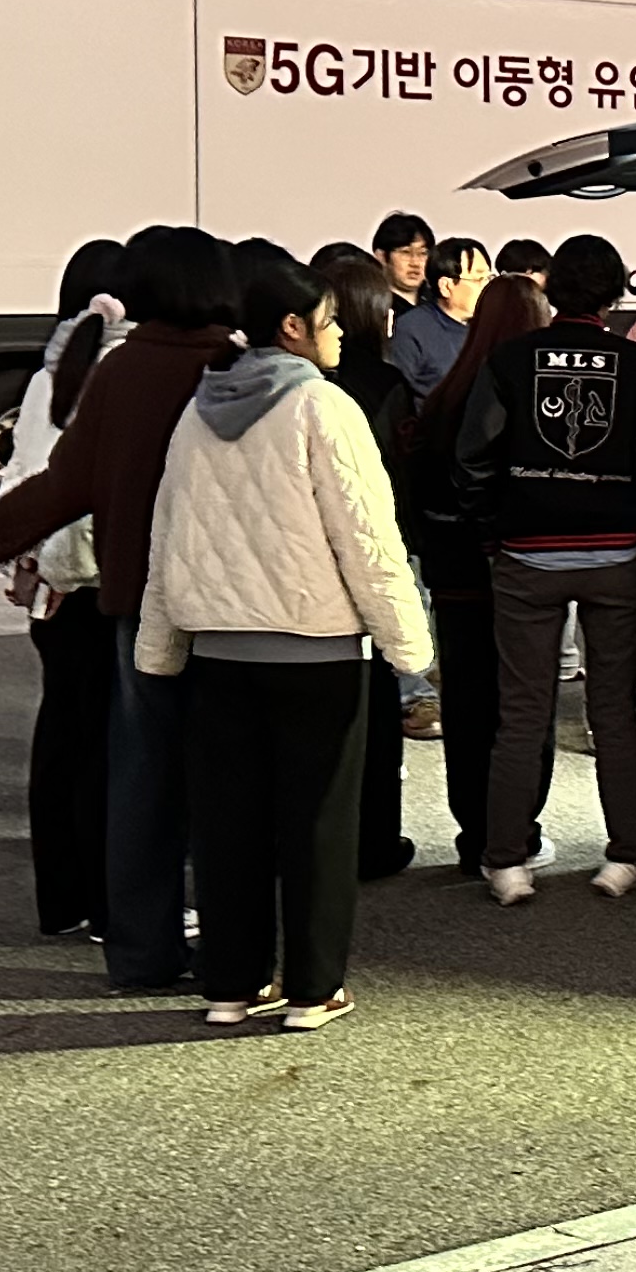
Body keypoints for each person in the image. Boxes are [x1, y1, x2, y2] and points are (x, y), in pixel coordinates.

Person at [0, 226, 238, 993]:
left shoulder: (120, 372)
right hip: (228, 609)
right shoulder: (234, 368)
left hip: (135, 609)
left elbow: (60, 486)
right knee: (226, 783)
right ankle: (236, 954)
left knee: (140, 780)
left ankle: (140, 951)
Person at [136, 241, 432, 1030]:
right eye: (329, 321)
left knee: (228, 825)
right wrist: (409, 648)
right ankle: (313, 988)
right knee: (318, 825)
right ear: (293, 327)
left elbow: (170, 535)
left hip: (219, 655)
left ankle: (232, 985)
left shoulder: (199, 412)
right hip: (316, 652)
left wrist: (159, 645)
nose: (338, 335)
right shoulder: (322, 408)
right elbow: (367, 536)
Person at [454, 234, 636, 905]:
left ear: (552, 288)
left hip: (528, 555)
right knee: (615, 713)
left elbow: (472, 458)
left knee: (522, 714)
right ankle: (626, 856)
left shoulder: (510, 360)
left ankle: (506, 862)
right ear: (615, 293)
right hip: (617, 557)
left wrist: (491, 532)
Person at [400, 273, 546, 875]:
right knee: (523, 703)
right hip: (514, 572)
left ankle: (474, 834)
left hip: (452, 575)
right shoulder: (528, 395)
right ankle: (517, 833)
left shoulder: (445, 394)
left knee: (466, 704)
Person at [3, 239, 127, 939]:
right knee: (110, 748)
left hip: (51, 586)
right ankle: (111, 902)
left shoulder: (45, 378)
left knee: (61, 740)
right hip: (98, 583)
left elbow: (20, 479)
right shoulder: (117, 372)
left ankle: (62, 899)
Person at [313, 244, 421, 883]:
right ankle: (376, 839)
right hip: (371, 558)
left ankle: (315, 839)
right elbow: (401, 480)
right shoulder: (385, 386)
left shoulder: (300, 385)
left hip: (308, 567)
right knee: (377, 704)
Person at [387, 235, 493, 398]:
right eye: (479, 279)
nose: (487, 287)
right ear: (446, 286)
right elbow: (396, 395)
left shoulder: (491, 326)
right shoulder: (412, 330)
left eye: (489, 278)